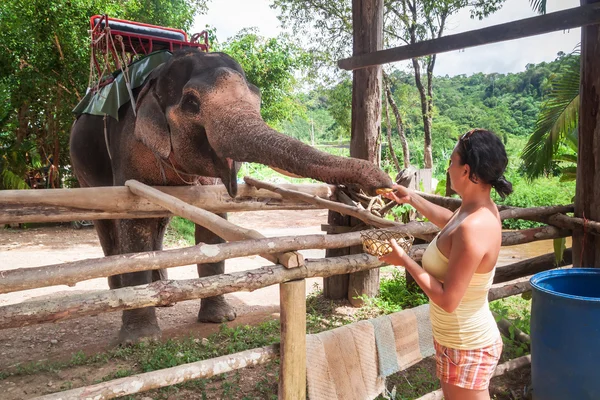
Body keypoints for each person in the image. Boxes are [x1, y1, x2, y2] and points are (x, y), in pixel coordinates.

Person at [379, 128, 513, 400]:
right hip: (457, 341)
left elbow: (448, 299)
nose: (448, 168)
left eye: (451, 162)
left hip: (467, 346)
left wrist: (404, 260)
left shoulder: (474, 226)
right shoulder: (477, 208)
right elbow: (450, 223)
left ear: (466, 171)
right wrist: (413, 198)